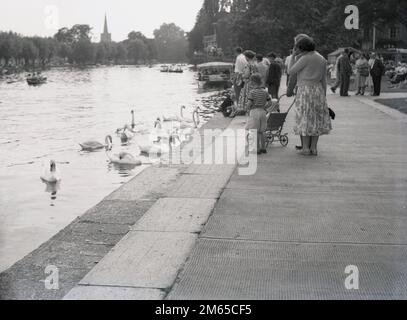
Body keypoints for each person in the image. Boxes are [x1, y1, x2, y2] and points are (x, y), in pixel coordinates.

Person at [289, 37, 332, 156]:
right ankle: (313, 148)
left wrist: (293, 56)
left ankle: (305, 149)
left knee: (304, 119)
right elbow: (323, 79)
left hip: (305, 91)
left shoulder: (305, 58)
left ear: (302, 47)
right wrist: (324, 95)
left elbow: (291, 71)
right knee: (315, 120)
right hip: (318, 90)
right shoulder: (322, 58)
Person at [245, 73, 271, 155]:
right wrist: (264, 107)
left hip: (254, 112)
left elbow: (249, 103)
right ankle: (263, 148)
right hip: (263, 112)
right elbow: (270, 102)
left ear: (252, 83)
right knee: (262, 131)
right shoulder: (265, 92)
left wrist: (247, 108)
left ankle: (257, 149)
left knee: (254, 131)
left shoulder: (252, 92)